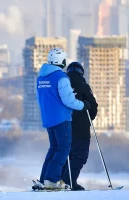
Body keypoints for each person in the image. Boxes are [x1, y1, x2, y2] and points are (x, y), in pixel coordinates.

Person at [36, 48, 91, 189]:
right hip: (62, 119)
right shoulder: (61, 77)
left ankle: (44, 180)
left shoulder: (41, 77)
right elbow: (69, 101)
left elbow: (39, 98)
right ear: (62, 61)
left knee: (53, 148)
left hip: (48, 119)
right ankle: (52, 180)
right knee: (63, 149)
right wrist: (83, 105)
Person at [61, 62, 98, 191]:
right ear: (81, 72)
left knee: (66, 154)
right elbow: (93, 106)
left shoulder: (62, 84)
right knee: (80, 155)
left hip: (64, 125)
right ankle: (69, 182)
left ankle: (61, 181)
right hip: (81, 126)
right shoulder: (83, 85)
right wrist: (89, 119)